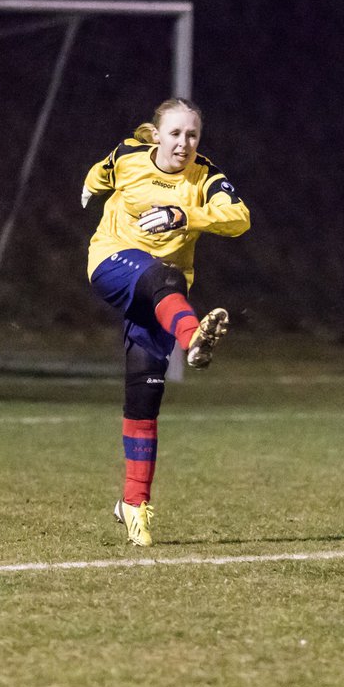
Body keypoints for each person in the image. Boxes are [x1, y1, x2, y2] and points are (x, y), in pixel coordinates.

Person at [83, 98, 251, 547]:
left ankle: (133, 504)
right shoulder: (129, 155)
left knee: (143, 399)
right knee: (164, 274)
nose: (184, 143)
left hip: (166, 299)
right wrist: (89, 188)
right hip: (112, 263)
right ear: (157, 135)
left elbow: (239, 218)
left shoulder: (206, 177)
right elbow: (102, 170)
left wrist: (186, 214)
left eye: (192, 135)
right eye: (175, 133)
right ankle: (193, 338)